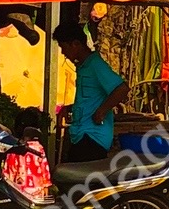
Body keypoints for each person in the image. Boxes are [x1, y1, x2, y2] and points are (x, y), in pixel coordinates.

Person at [54, 22, 128, 164]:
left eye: (64, 47)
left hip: (93, 137)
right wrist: (68, 108)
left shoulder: (95, 65)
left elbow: (122, 89)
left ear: (75, 44)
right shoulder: (83, 67)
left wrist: (101, 111)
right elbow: (88, 98)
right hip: (81, 135)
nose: (63, 53)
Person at [3, 108, 53, 201]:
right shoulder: (38, 147)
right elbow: (44, 169)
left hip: (19, 194)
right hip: (37, 193)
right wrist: (46, 186)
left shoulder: (14, 149)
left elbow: (9, 173)